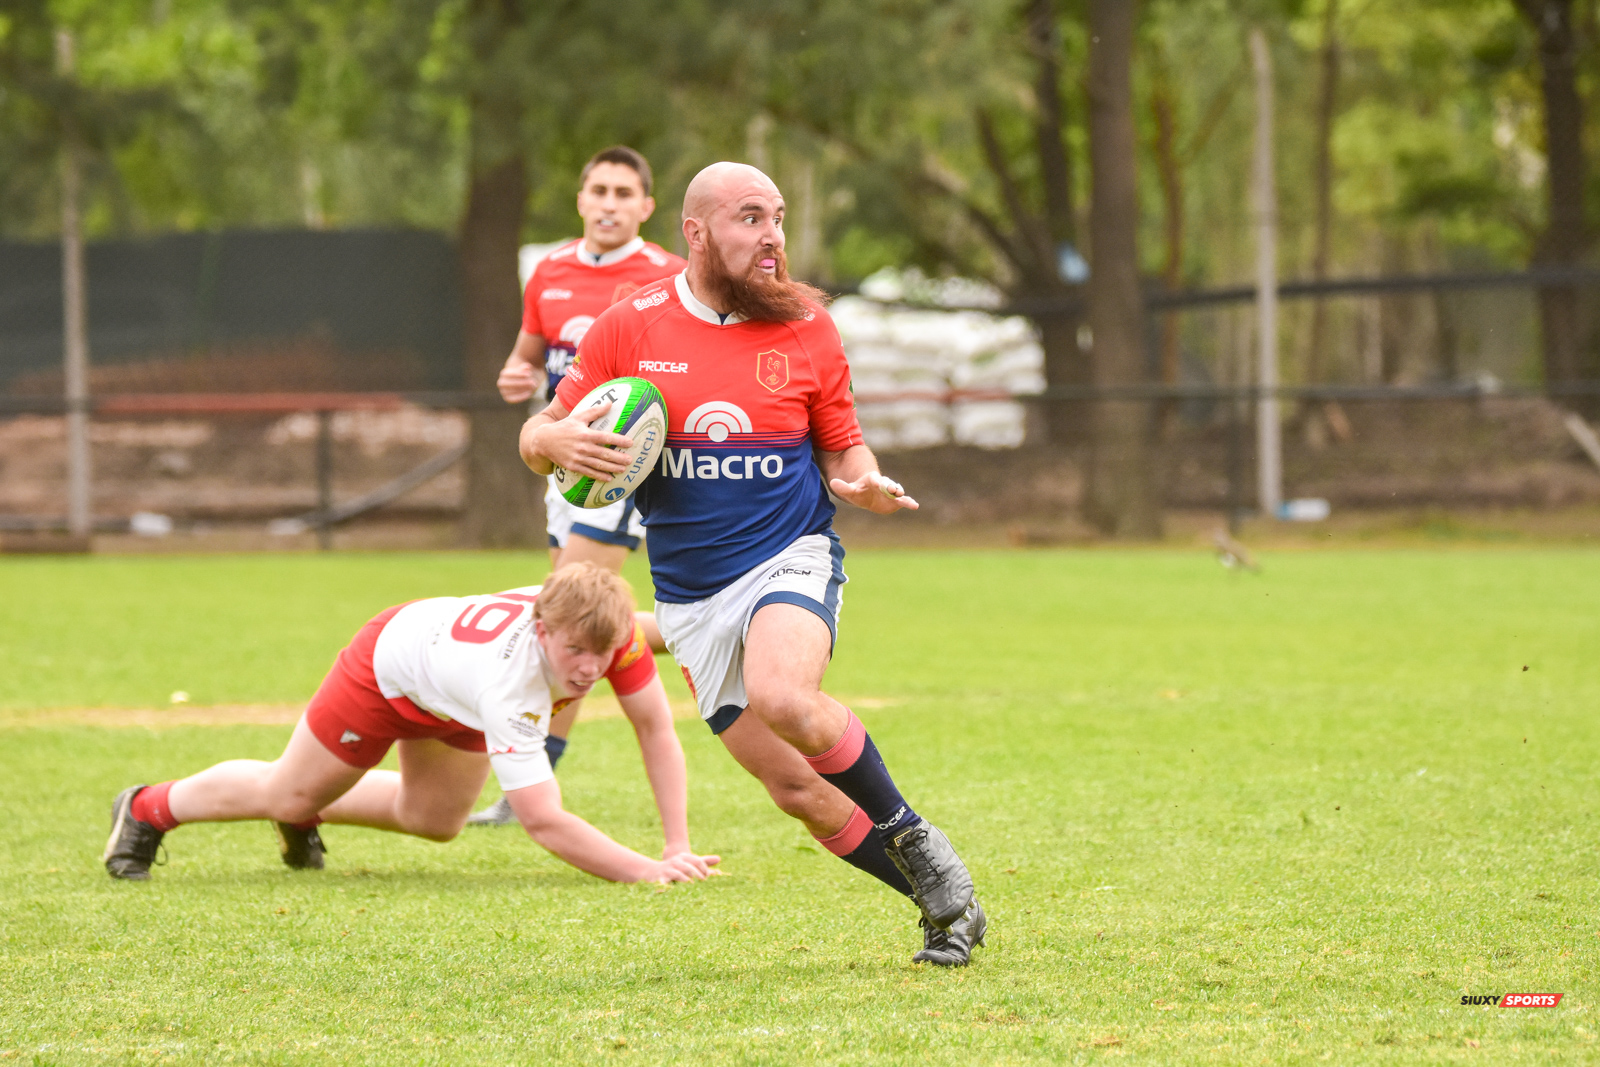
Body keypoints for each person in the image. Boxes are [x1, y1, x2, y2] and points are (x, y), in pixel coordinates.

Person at [516, 162, 984, 966]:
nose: (771, 236)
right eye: (749, 218)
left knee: (783, 693)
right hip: (694, 594)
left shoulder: (806, 323)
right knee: (798, 791)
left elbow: (843, 444)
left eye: (777, 217)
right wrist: (552, 440)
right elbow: (538, 436)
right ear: (696, 232)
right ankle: (948, 908)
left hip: (789, 554)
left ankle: (913, 833)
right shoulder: (632, 325)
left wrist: (860, 483)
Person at [103, 563, 716, 886]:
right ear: (542, 630)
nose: (589, 670)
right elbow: (542, 820)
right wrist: (645, 871)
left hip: (455, 695)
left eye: (601, 654)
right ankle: (147, 807)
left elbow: (655, 730)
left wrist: (677, 845)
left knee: (434, 821)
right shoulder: (510, 687)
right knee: (287, 789)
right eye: (574, 651)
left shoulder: (616, 635)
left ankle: (314, 806)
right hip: (389, 668)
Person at [470, 146, 688, 825]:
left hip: (622, 468)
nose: (611, 202)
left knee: (565, 618)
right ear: (581, 198)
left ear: (647, 208)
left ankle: (527, 782)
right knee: (581, 618)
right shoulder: (550, 270)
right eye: (600, 189)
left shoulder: (669, 277)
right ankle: (716, 624)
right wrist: (515, 373)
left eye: (625, 192)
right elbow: (531, 353)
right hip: (562, 464)